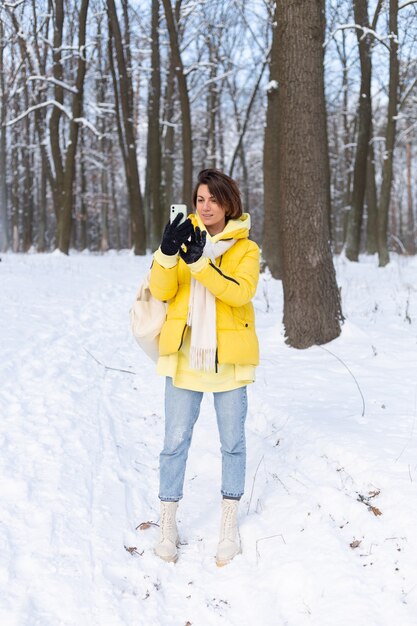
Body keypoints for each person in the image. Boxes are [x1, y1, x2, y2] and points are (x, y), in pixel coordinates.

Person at [149, 169, 260, 566]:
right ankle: (168, 523)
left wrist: (200, 264)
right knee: (174, 443)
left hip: (228, 359)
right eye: (200, 199)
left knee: (232, 443)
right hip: (185, 356)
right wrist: (166, 253)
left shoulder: (246, 249)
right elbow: (160, 291)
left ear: (229, 204)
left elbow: (239, 293)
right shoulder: (183, 239)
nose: (206, 206)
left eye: (213, 199)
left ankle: (228, 524)